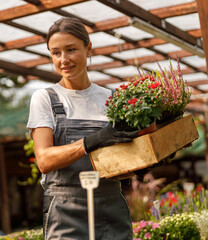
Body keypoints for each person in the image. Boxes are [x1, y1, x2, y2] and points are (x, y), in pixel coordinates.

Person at [27, 17, 138, 240]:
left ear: (88, 49)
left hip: (110, 205)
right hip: (65, 209)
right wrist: (92, 141)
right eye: (56, 53)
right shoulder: (46, 98)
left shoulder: (112, 98)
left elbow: (124, 160)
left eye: (71, 50)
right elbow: (45, 160)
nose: (64, 60)